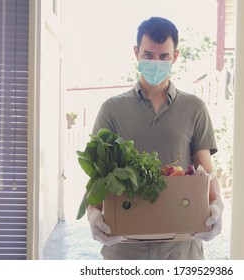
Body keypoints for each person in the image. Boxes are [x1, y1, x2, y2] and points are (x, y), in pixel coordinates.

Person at [86, 16, 223, 260]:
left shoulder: (194, 108)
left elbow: (206, 171)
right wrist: (93, 213)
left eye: (163, 57)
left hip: (180, 246)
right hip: (125, 245)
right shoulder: (112, 109)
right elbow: (97, 175)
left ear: (175, 56)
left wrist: (216, 205)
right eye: (149, 55)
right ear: (137, 52)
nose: (156, 62)